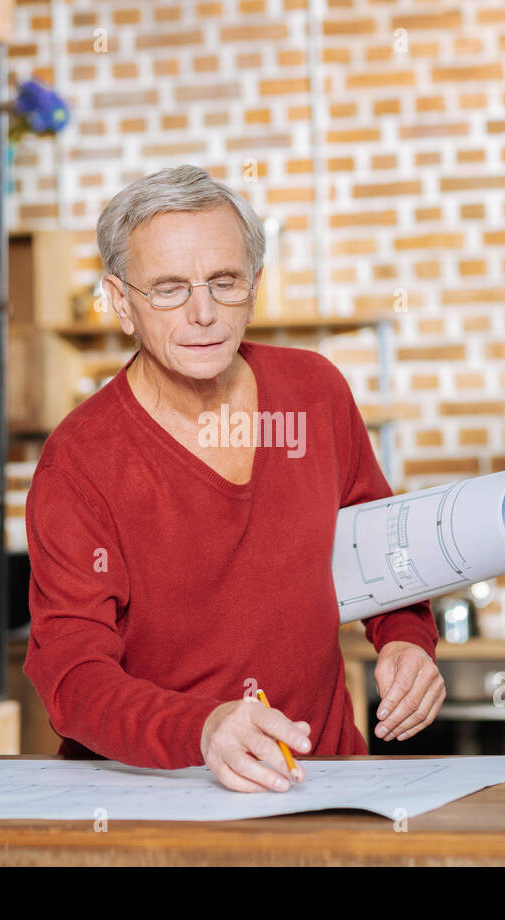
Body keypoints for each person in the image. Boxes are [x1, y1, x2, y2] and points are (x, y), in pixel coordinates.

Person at [24, 164, 444, 793]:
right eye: (167, 288)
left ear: (255, 288)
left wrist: (407, 640)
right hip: (158, 796)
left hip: (326, 781)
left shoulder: (314, 393)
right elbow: (72, 677)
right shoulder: (80, 461)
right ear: (119, 303)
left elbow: (382, 548)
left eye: (225, 282)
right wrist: (202, 728)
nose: (203, 313)